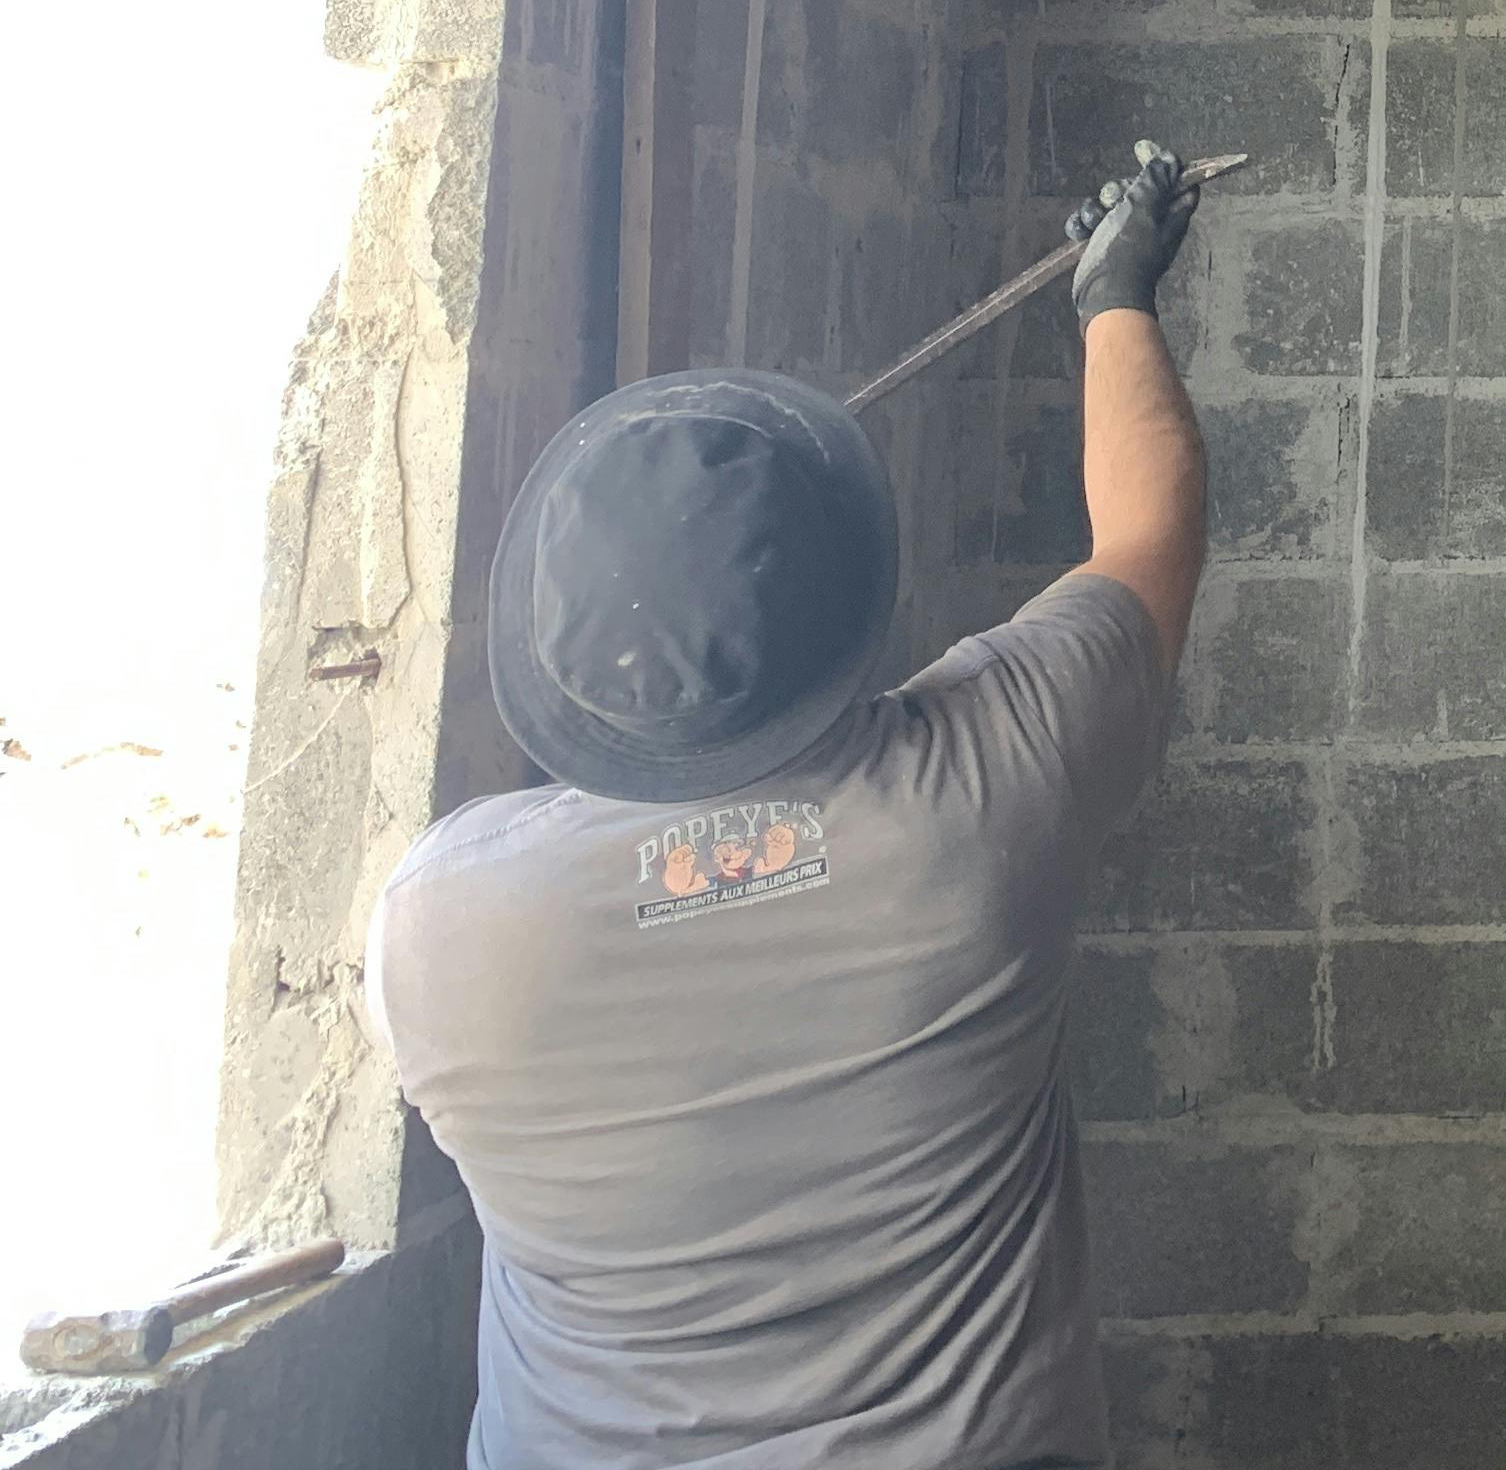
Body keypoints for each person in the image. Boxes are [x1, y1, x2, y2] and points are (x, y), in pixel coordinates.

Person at [366, 142, 1221, 1468]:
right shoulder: (987, 793)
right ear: (843, 623)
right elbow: (1148, 536)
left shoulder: (436, 929)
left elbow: (667, 888)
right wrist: (1116, 293)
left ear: (553, 662)